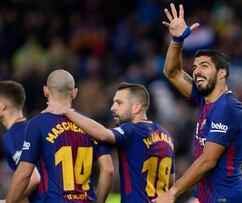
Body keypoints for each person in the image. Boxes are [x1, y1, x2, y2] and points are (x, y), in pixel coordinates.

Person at [155, 3, 242, 203]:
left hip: (227, 198)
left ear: (222, 73)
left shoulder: (227, 107)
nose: (197, 71)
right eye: (195, 67)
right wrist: (176, 41)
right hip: (208, 196)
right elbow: (172, 72)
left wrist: (172, 193)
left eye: (204, 66)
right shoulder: (204, 98)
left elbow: (208, 161)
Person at [43, 82, 175, 202]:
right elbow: (170, 181)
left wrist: (67, 111)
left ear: (136, 108)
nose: (112, 107)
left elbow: (103, 135)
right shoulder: (166, 135)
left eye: (119, 103)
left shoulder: (132, 130)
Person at [6, 70, 114, 203]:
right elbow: (108, 170)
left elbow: (24, 173)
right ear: (74, 93)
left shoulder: (37, 124)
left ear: (45, 91)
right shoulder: (93, 127)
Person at [0, 81, 44, 202]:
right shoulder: (30, 128)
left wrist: (8, 201)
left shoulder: (15, 134)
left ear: (3, 104)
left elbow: (33, 178)